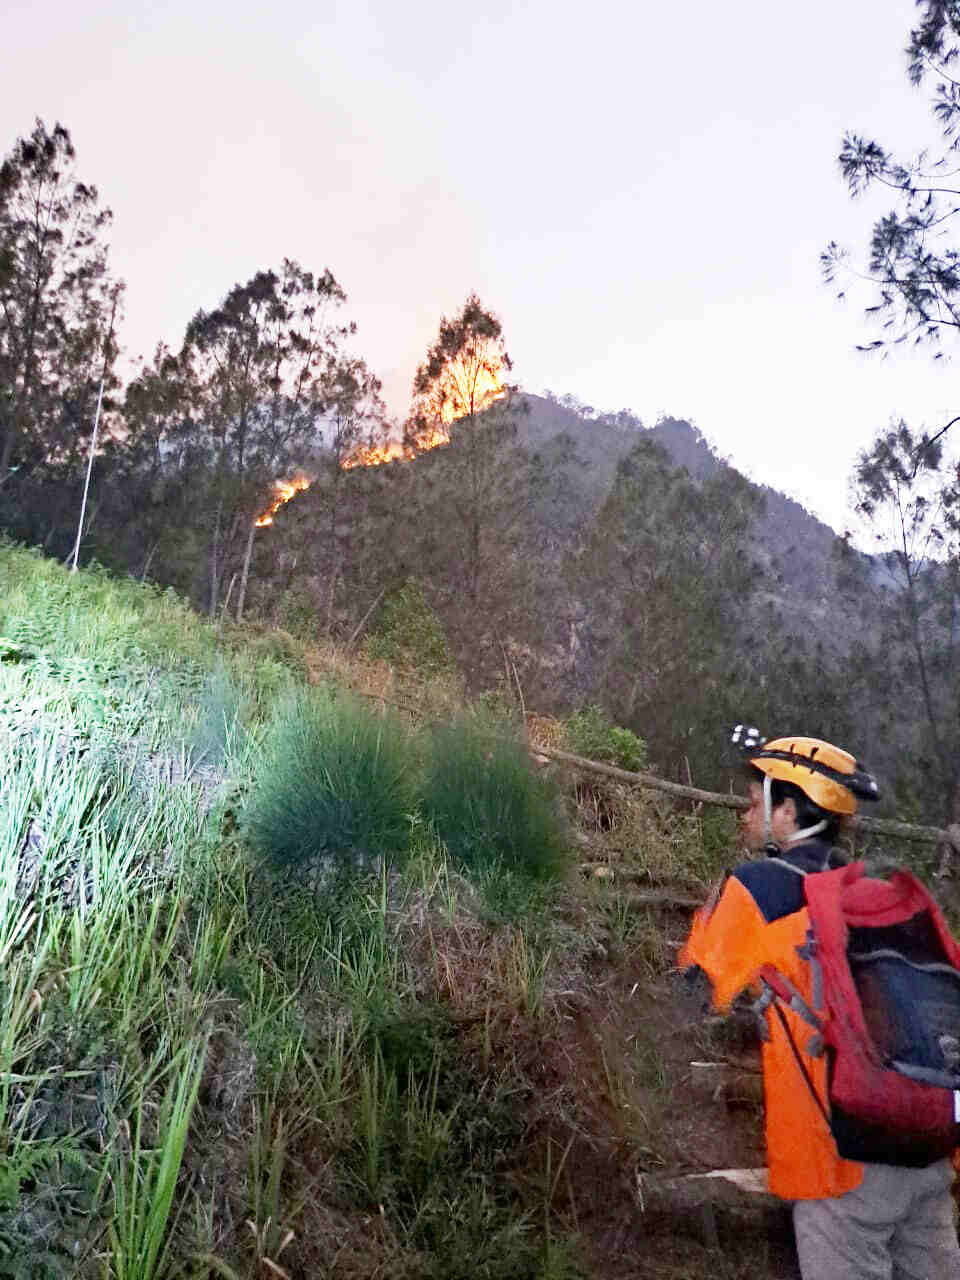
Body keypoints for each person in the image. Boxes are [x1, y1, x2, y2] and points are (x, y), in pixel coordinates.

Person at [679, 730, 960, 1279]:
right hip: (927, 1152)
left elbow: (693, 989)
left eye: (755, 800)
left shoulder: (762, 886)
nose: (744, 813)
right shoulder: (884, 892)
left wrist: (715, 908)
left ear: (787, 811)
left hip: (839, 1165)